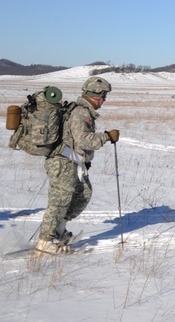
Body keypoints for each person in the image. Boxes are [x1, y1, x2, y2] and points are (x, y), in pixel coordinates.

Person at [35, 76, 120, 254]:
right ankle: (44, 241)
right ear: (95, 95)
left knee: (83, 194)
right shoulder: (82, 112)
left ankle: (59, 229)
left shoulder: (84, 111)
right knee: (59, 202)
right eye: (103, 96)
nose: (104, 100)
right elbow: (84, 141)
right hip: (62, 163)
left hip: (73, 163)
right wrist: (107, 137)